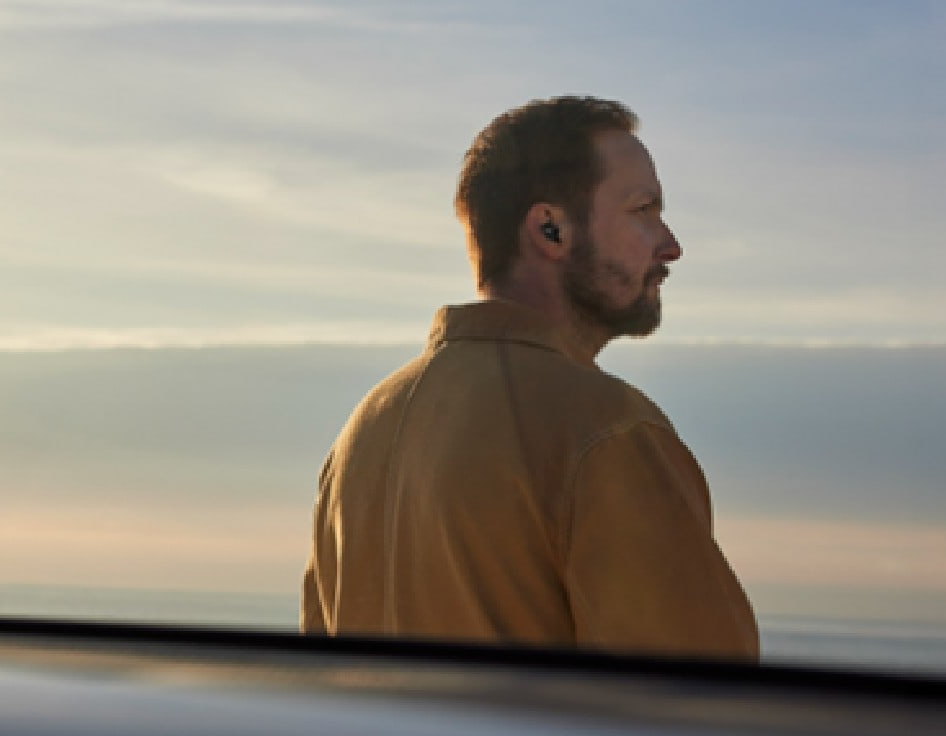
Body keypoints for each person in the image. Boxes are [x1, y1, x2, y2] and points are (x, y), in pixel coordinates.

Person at [300, 96, 758, 661]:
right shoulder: (607, 432)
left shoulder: (361, 433)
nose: (671, 245)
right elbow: (705, 708)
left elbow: (322, 680)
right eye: (644, 210)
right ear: (550, 229)